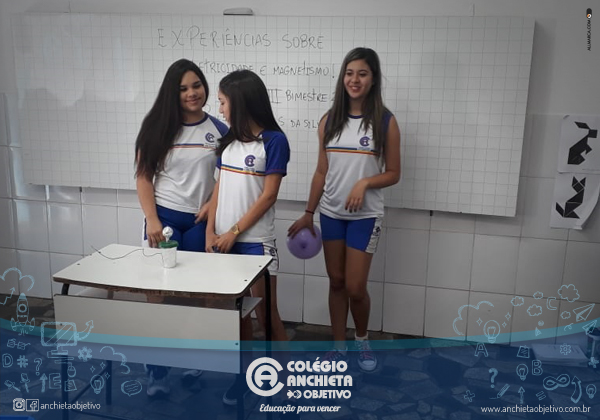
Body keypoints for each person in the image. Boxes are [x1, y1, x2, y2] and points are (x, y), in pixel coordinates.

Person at [288, 47, 401, 372]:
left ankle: (362, 339)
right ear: (343, 78)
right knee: (336, 281)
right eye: (350, 73)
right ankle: (339, 347)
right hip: (331, 214)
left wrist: (364, 183)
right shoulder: (329, 121)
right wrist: (309, 212)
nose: (354, 80)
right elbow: (321, 172)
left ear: (373, 79)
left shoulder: (385, 122)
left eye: (362, 74)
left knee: (355, 287)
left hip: (365, 217)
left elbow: (394, 173)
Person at [135, 58, 228, 397]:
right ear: (172, 93)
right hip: (165, 219)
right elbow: (144, 176)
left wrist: (212, 203)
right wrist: (152, 219)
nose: (192, 93)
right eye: (183, 88)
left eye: (197, 85)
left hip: (201, 222)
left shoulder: (220, 130)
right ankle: (157, 369)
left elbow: (229, 177)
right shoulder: (157, 126)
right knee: (160, 295)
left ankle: (192, 358)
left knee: (198, 294)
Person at [205, 69, 290, 405]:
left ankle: (284, 383)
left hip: (256, 243)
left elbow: (268, 196)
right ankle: (244, 377)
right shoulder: (228, 142)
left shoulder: (274, 141)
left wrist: (234, 232)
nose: (220, 109)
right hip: (224, 242)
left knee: (266, 316)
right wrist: (211, 232)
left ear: (240, 102)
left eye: (223, 102)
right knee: (237, 316)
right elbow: (218, 188)